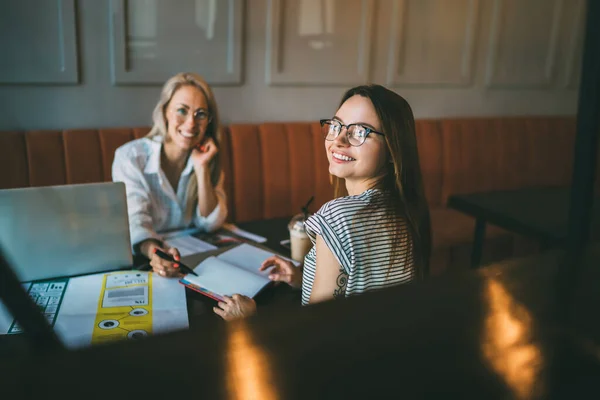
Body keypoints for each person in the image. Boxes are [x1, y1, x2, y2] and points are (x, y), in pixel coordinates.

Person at [213, 84, 431, 321]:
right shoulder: (406, 207)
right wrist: (303, 278)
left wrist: (252, 320)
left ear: (392, 148)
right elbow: (363, 286)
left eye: (360, 132)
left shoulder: (338, 218)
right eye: (336, 125)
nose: (338, 139)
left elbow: (315, 332)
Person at [112, 72, 227, 277]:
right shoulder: (130, 158)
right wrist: (157, 253)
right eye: (182, 110)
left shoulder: (207, 156)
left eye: (200, 114)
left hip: (196, 261)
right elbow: (136, 224)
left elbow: (211, 223)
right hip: (149, 260)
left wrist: (201, 169)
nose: (191, 124)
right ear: (165, 112)